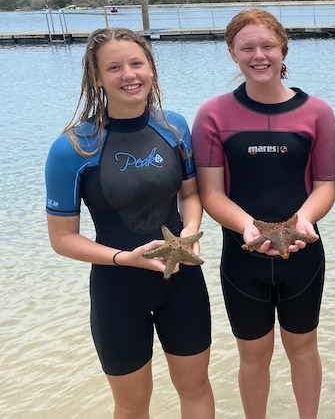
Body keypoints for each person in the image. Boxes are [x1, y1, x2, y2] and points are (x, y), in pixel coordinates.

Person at [45, 27, 214, 418]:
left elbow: (190, 194)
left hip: (183, 281)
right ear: (97, 78)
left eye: (137, 63)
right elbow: (63, 239)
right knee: (132, 404)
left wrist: (189, 233)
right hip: (117, 289)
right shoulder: (73, 147)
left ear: (151, 68)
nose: (129, 75)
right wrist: (125, 258)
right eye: (115, 67)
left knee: (195, 387)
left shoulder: (173, 128)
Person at [192, 8, 335, 419]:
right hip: (242, 258)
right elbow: (211, 193)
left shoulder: (318, 113)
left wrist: (303, 221)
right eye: (248, 48)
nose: (259, 55)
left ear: (283, 49)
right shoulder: (213, 115)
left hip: (303, 253)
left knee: (304, 348)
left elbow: (327, 185)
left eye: (268, 46)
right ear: (232, 54)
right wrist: (247, 227)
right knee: (253, 355)